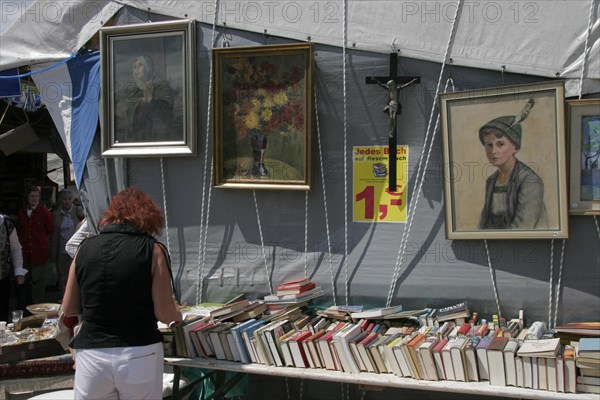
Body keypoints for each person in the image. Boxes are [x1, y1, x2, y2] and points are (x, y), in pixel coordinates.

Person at [62, 187, 182, 399]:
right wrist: (177, 315)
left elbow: (69, 308)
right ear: (148, 217)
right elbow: (165, 314)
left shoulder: (84, 248)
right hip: (138, 351)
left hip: (92, 354)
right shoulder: (153, 250)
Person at [478, 99, 548, 229]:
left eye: (500, 144)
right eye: (489, 145)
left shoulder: (529, 181)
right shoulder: (491, 181)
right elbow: (485, 221)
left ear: (515, 147)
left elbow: (524, 225)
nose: (493, 151)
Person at [121, 55, 175, 143]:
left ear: (148, 67)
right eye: (135, 67)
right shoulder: (134, 93)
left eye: (140, 65)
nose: (137, 69)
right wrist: (142, 103)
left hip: (156, 139)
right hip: (137, 140)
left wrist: (151, 101)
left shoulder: (161, 86)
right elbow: (129, 119)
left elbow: (166, 114)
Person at [17, 186, 55, 308]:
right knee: (25, 286)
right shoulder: (22, 213)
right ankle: (26, 310)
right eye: (32, 196)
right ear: (27, 198)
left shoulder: (45, 213)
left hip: (39, 254)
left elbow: (50, 229)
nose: (34, 199)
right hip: (25, 255)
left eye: (36, 196)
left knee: (38, 285)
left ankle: (39, 311)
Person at [50, 189, 84, 301]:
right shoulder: (55, 214)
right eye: (65, 199)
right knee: (62, 274)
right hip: (61, 248)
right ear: (61, 201)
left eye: (69, 199)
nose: (67, 202)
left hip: (76, 248)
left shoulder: (78, 211)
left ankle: (77, 297)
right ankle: (63, 297)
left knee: (76, 272)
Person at [0, 213, 26, 322]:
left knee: (1, 315)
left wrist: (19, 272)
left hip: (2, 276)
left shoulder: (6, 223)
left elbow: (16, 248)